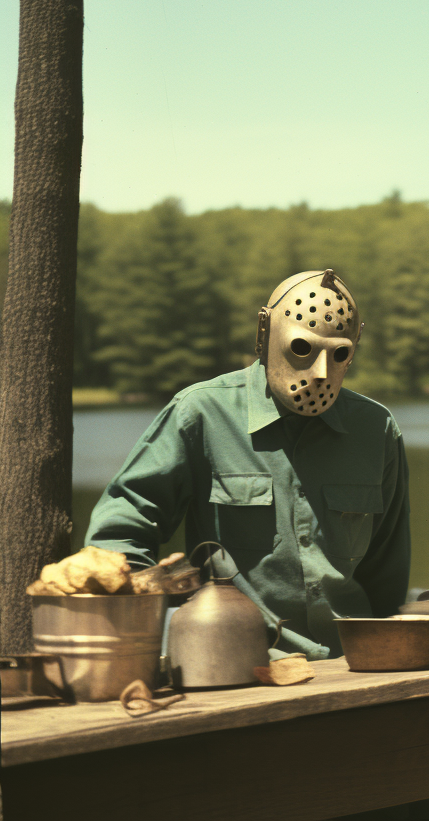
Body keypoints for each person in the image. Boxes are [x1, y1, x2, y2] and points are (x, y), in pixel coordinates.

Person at [85, 269, 410, 660]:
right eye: (303, 349)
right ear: (264, 333)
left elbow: (386, 576)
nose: (321, 372)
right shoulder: (201, 414)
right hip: (236, 669)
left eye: (339, 353)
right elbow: (117, 539)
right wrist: (137, 639)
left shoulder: (375, 429)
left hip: (351, 668)